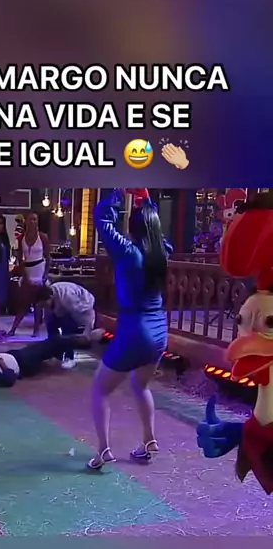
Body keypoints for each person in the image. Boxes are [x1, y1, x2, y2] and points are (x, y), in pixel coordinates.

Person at [88, 191, 172, 469]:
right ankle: (149, 440)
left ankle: (103, 450)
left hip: (135, 329)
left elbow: (102, 218)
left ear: (133, 227)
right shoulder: (163, 252)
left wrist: (118, 192)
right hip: (159, 331)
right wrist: (145, 201)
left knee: (100, 389)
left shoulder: (127, 251)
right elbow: (153, 224)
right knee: (140, 384)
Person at [0, 329, 106, 387]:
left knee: (51, 346)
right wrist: (0, 361)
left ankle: (84, 343)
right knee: (54, 343)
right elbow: (9, 380)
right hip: (23, 363)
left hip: (18, 356)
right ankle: (89, 341)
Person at [36, 281, 96, 370]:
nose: (44, 306)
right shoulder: (48, 296)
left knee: (68, 330)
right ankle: (56, 355)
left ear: (51, 298)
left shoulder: (68, 298)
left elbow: (87, 314)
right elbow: (48, 317)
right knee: (51, 327)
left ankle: (69, 357)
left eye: (44, 304)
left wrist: (87, 331)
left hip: (81, 305)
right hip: (62, 304)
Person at [7, 212, 50, 338]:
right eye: (31, 219)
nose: (33, 222)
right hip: (27, 269)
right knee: (24, 302)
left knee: (38, 303)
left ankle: (36, 330)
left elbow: (48, 257)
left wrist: (45, 275)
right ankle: (13, 328)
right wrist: (23, 274)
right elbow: (19, 258)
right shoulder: (21, 238)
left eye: (35, 219)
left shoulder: (43, 237)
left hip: (39, 269)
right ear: (26, 221)